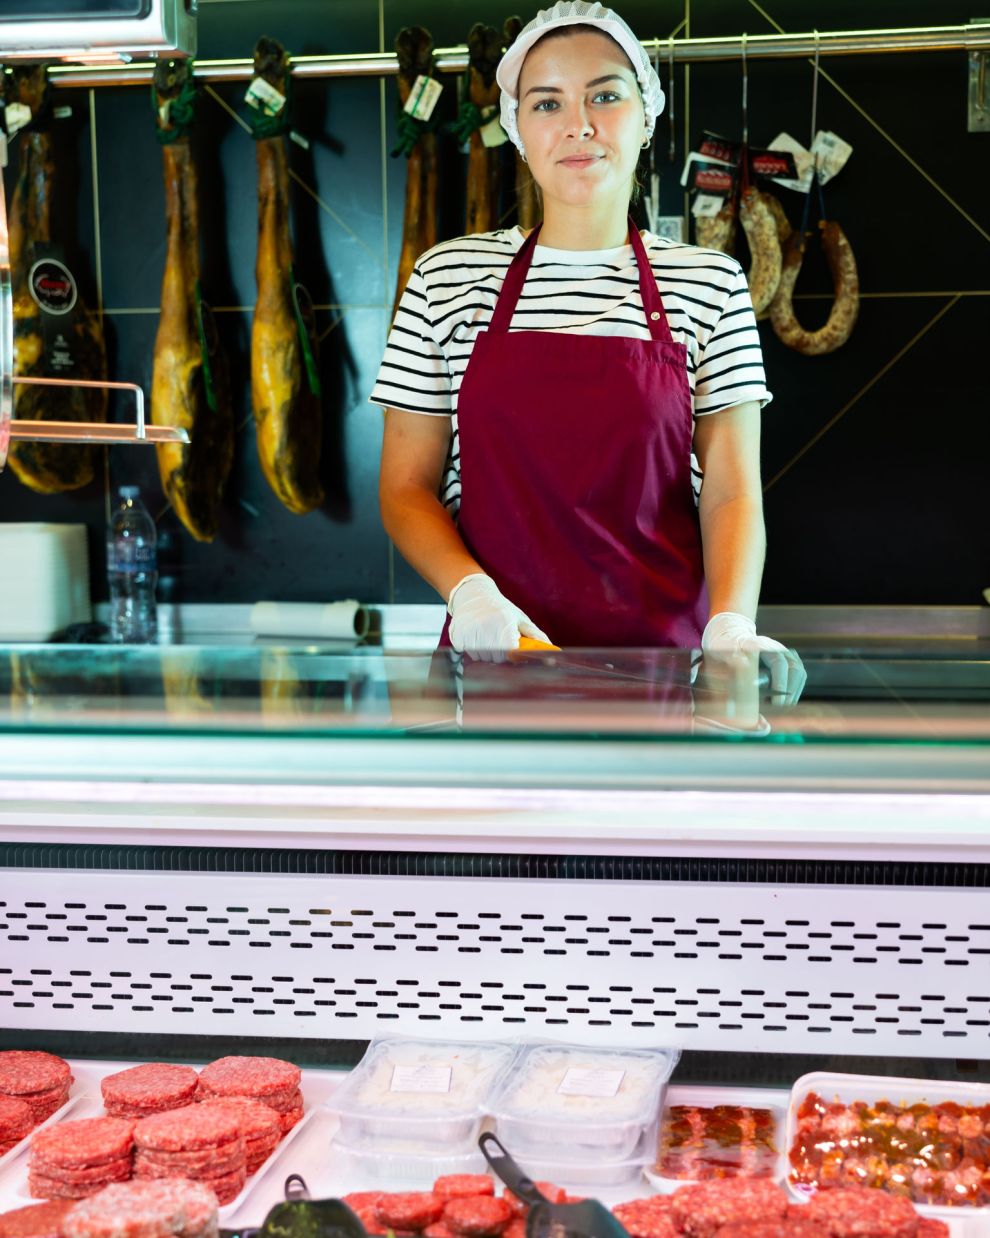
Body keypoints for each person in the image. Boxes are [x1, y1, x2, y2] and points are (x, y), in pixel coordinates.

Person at [372, 0, 803, 700]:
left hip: (663, 673)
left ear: (645, 116)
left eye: (605, 95)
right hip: (495, 666)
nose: (579, 125)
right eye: (547, 104)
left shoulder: (709, 283)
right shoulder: (447, 278)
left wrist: (730, 625)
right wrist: (471, 594)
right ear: (517, 128)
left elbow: (730, 489)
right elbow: (404, 486)